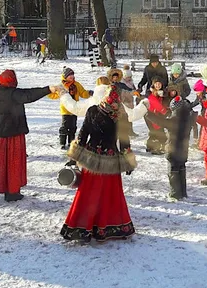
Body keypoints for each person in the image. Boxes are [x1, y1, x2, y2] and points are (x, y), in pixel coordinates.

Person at [60, 84, 136, 243]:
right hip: (109, 161)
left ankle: (83, 227)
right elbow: (123, 140)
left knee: (88, 194)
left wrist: (74, 156)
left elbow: (83, 135)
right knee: (109, 195)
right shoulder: (118, 114)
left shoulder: (97, 111)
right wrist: (128, 160)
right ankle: (107, 227)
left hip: (92, 159)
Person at [0, 69, 60, 201]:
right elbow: (29, 95)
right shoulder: (14, 94)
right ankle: (13, 191)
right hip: (15, 133)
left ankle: (5, 187)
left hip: (2, 134)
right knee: (14, 162)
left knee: (4, 161)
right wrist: (48, 89)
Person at [146, 94, 198, 200]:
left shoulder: (173, 120)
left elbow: (159, 121)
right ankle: (183, 192)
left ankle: (175, 194)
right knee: (182, 169)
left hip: (173, 151)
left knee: (173, 172)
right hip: (183, 150)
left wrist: (147, 113)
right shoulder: (189, 119)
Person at [48, 67, 90, 150]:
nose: (71, 77)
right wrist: (49, 92)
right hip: (65, 110)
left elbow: (83, 93)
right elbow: (55, 95)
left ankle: (71, 142)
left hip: (75, 109)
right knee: (64, 126)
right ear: (65, 76)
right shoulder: (61, 86)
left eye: (72, 75)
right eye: (69, 75)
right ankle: (62, 143)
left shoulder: (77, 84)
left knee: (73, 127)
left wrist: (89, 93)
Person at [121, 65, 139, 137]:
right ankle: (125, 131)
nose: (129, 78)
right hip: (124, 103)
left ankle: (131, 131)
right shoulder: (122, 84)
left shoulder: (131, 82)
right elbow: (122, 94)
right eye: (127, 77)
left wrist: (136, 92)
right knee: (125, 118)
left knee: (130, 117)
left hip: (130, 102)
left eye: (130, 77)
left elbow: (134, 90)